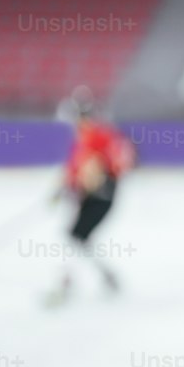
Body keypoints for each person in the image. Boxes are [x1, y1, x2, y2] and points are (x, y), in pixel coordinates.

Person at [45, 86, 135, 306]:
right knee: (79, 238)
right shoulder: (85, 138)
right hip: (90, 196)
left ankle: (67, 283)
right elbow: (76, 170)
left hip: (102, 196)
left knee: (75, 236)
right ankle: (104, 276)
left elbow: (122, 160)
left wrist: (103, 175)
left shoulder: (100, 136)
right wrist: (64, 188)